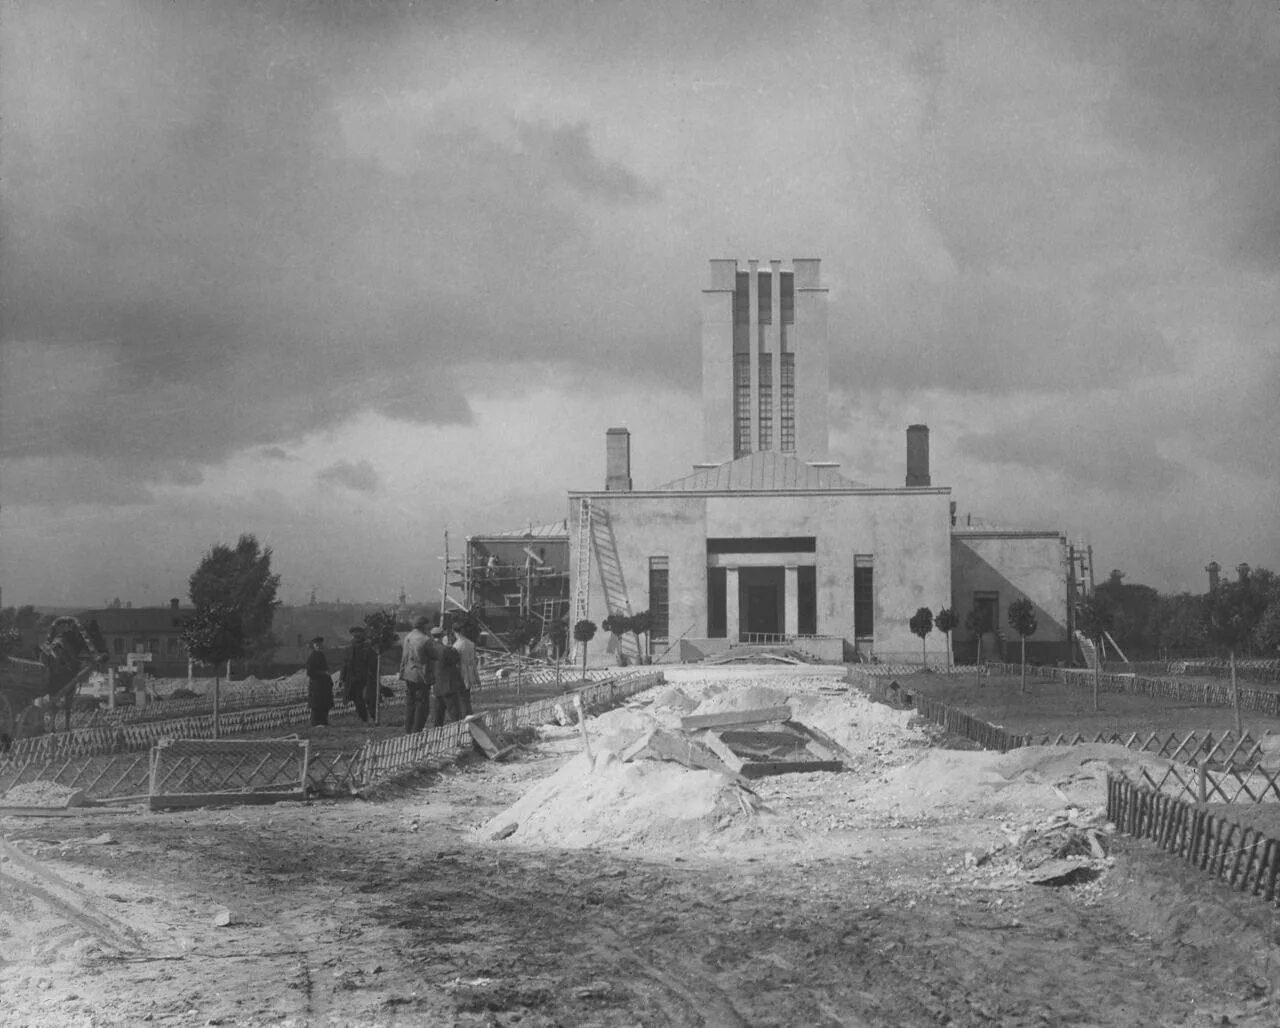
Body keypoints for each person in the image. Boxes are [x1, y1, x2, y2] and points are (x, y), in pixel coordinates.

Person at [399, 616, 434, 734]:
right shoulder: (425, 639)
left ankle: (408, 730)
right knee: (422, 705)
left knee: (410, 703)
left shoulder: (407, 637)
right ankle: (417, 730)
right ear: (424, 625)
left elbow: (404, 656)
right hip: (420, 675)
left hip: (408, 673)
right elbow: (429, 658)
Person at [341, 625, 380, 724]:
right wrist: (342, 678)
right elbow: (345, 664)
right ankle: (364, 718)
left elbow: (374, 663)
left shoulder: (369, 647)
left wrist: (375, 676)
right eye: (355, 636)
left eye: (358, 636)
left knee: (370, 698)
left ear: (362, 635)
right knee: (357, 699)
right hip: (354, 678)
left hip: (367, 677)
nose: (356, 638)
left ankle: (374, 716)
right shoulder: (349, 648)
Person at [429, 625, 465, 726]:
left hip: (437, 686)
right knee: (454, 712)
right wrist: (449, 646)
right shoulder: (445, 649)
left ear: (432, 636)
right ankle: (456, 732)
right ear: (442, 636)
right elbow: (456, 657)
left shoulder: (429, 649)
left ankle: (437, 734)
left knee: (438, 714)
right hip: (448, 685)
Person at [451, 622, 479, 717]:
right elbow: (475, 660)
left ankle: (466, 717)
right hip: (470, 673)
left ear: (454, 632)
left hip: (460, 674)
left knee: (461, 699)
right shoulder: (471, 643)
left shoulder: (456, 646)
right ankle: (468, 715)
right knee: (466, 698)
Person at [305, 636, 333, 728]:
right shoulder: (312, 656)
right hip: (316, 684)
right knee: (316, 704)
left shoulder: (321, 655)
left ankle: (324, 722)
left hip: (324, 684)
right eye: (317, 645)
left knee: (324, 703)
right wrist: (322, 673)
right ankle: (315, 723)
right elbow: (309, 671)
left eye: (320, 645)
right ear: (313, 645)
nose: (319, 646)